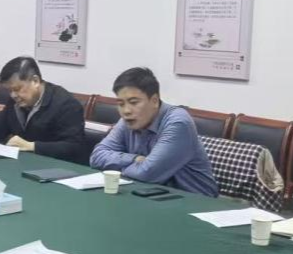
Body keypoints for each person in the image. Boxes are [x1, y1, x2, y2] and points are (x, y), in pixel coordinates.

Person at [90, 67, 218, 197]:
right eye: (121, 104)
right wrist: (134, 159)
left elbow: (146, 174)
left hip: (195, 200)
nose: (126, 111)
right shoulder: (128, 120)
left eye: (134, 102)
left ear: (154, 101)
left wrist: (115, 169)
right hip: (148, 194)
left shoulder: (177, 122)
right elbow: (96, 157)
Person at [0, 56, 87, 163]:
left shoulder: (66, 104)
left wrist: (32, 146)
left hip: (57, 170)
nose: (13, 95)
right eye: (9, 90)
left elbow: (74, 147)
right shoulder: (17, 101)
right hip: (23, 165)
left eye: (17, 89)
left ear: (35, 81)